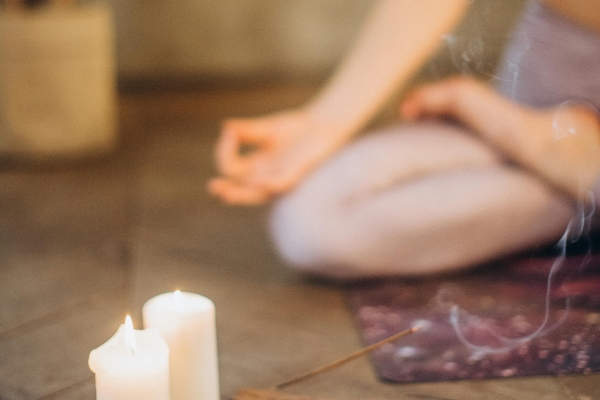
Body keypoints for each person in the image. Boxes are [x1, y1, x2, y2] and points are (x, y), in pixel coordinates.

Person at [209, 0, 600, 279]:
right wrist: (326, 121)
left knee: (321, 226)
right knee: (310, 216)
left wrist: (533, 137)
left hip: (578, 162)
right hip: (520, 114)